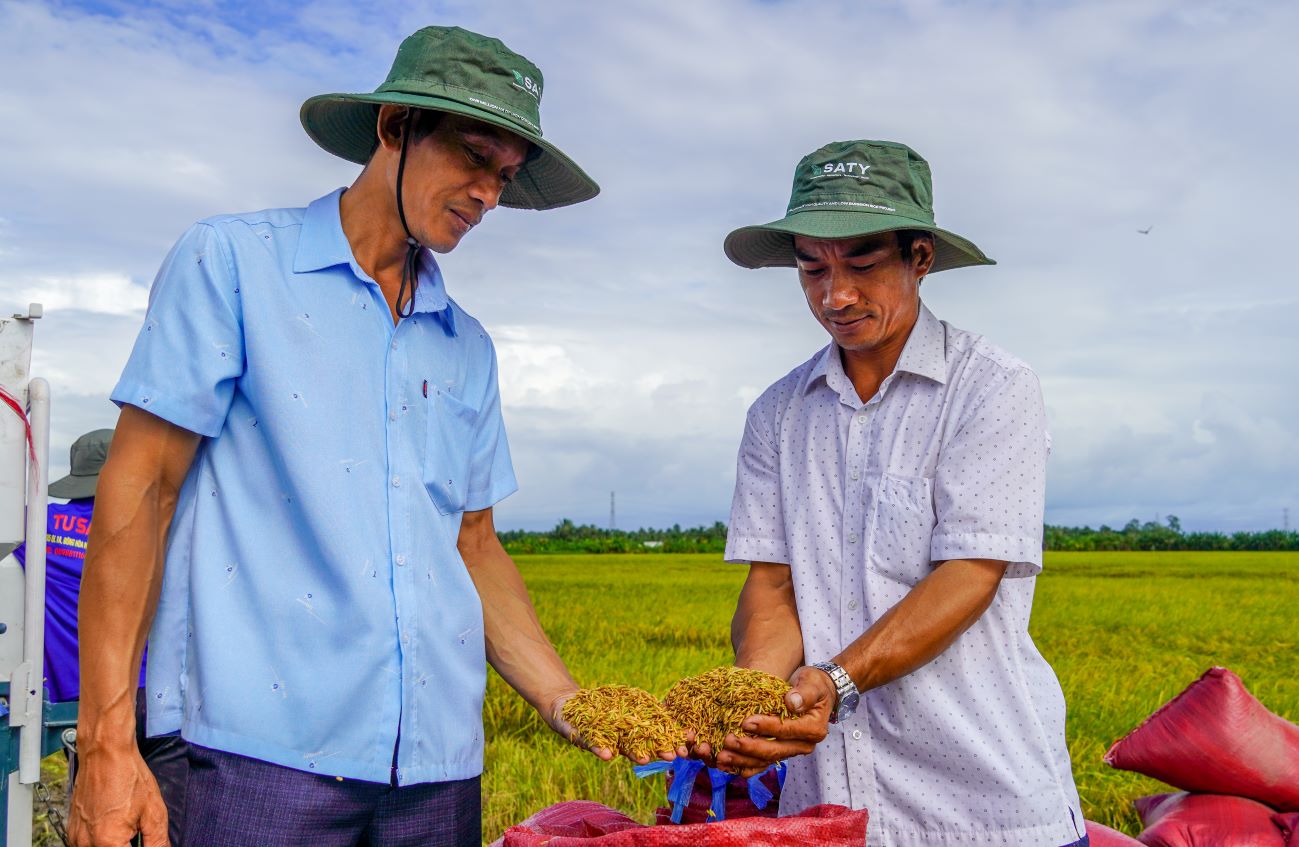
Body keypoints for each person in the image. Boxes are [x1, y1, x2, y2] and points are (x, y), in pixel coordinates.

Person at [69, 26, 650, 847]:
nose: (487, 194)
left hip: (435, 768)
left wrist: (567, 698)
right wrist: (105, 741)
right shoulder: (233, 264)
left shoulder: (465, 344)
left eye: (506, 176)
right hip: (255, 754)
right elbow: (143, 490)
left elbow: (472, 545)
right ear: (393, 129)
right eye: (473, 157)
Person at [714, 140, 1087, 847]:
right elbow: (772, 588)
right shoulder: (777, 413)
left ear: (919, 257)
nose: (835, 295)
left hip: (986, 802)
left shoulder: (991, 387)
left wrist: (832, 680)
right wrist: (759, 704)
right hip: (832, 804)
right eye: (811, 267)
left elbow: (971, 573)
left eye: (862, 263)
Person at [11, 429, 187, 844]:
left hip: (84, 705)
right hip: (160, 697)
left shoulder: (35, 528)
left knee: (100, 819)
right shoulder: (160, 531)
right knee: (168, 828)